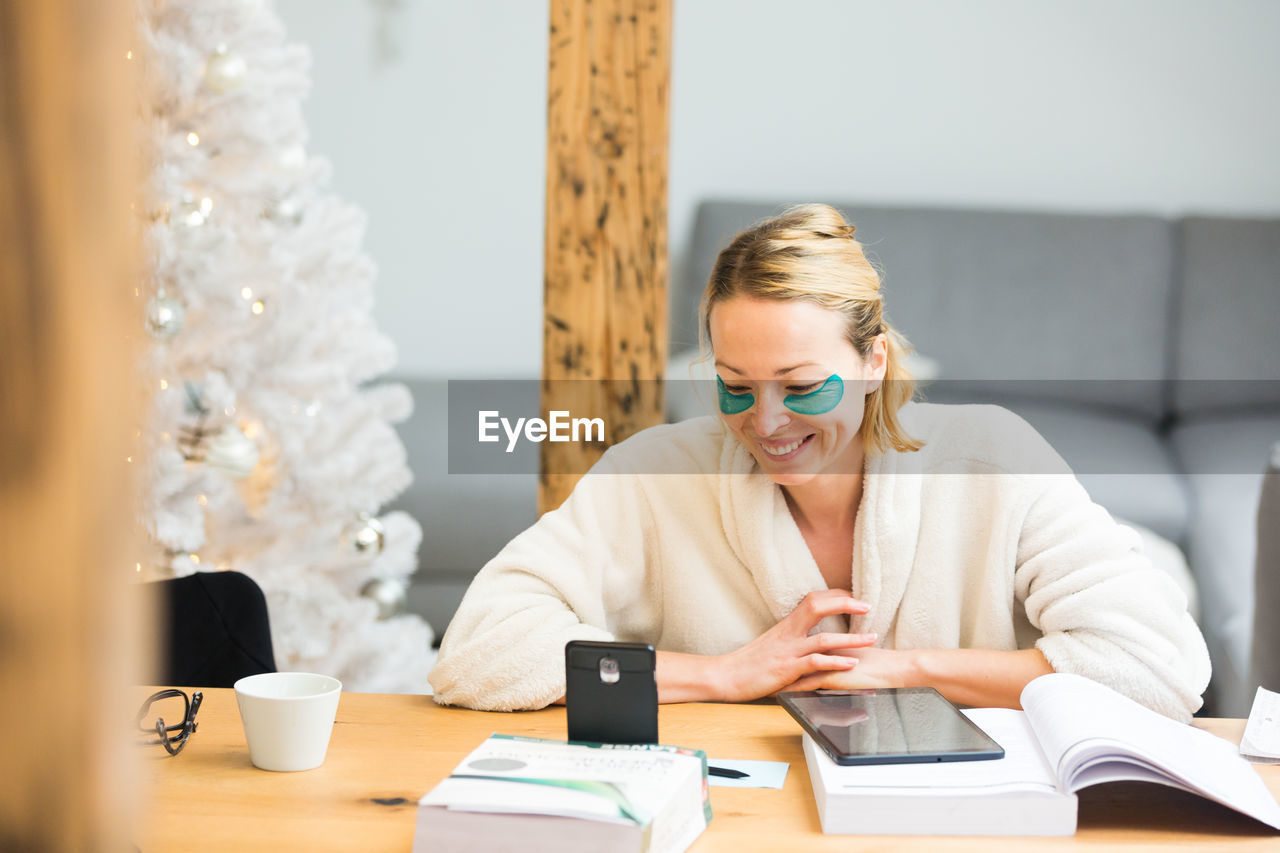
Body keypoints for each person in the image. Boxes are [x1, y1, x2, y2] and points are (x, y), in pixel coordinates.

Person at [429, 204, 1210, 721]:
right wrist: (726, 674)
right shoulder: (658, 474)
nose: (764, 423)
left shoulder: (991, 458)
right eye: (735, 387)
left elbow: (1157, 666)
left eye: (802, 387)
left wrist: (902, 670)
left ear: (873, 362)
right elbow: (477, 653)